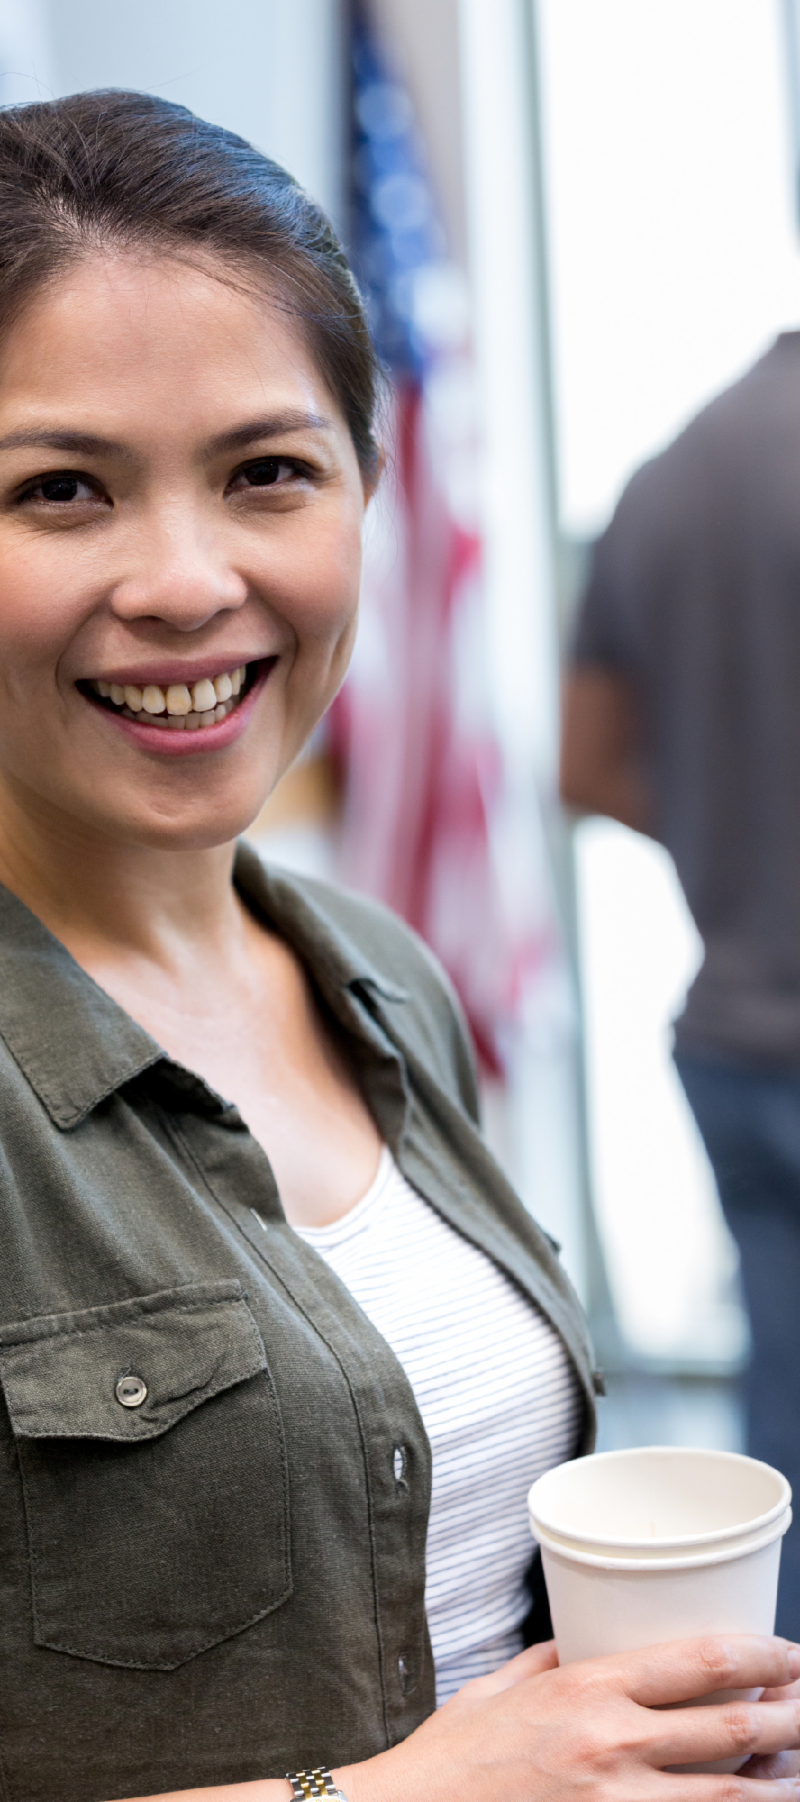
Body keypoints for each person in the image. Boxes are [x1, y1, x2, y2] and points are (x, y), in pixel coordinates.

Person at [0, 91, 799, 1802]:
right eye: (65, 489)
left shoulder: (379, 978)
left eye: (267, 474)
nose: (183, 581)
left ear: (363, 501)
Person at [560, 333, 800, 1642]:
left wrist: (732, 824)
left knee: (785, 1437)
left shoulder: (669, 474)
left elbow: (587, 762)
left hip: (730, 1043)